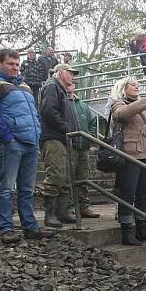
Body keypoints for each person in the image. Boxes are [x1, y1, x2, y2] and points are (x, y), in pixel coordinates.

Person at [0, 48, 54, 244]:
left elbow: (34, 113)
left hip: (30, 141)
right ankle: (5, 227)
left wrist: (37, 134)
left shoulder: (25, 86)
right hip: (11, 143)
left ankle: (30, 226)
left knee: (27, 188)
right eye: (10, 64)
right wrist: (8, 138)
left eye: (17, 64)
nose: (14, 68)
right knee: (6, 188)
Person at [109, 77, 146, 245]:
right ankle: (126, 232)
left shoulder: (145, 108)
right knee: (127, 194)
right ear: (123, 88)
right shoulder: (118, 104)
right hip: (129, 155)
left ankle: (142, 230)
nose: (137, 87)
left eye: (138, 85)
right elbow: (122, 114)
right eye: (132, 84)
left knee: (143, 195)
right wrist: (145, 100)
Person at [39, 63, 80, 227]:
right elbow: (49, 111)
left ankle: (62, 212)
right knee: (56, 174)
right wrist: (66, 127)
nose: (73, 77)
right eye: (70, 73)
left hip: (61, 138)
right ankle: (50, 214)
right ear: (61, 73)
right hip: (53, 137)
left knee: (64, 177)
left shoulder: (59, 89)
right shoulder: (51, 87)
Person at [67, 82, 100, 218]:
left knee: (83, 178)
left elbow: (93, 123)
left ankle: (83, 206)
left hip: (84, 146)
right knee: (69, 178)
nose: (72, 84)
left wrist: (90, 136)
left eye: (74, 82)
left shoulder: (83, 105)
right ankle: (69, 208)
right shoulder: (63, 102)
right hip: (69, 146)